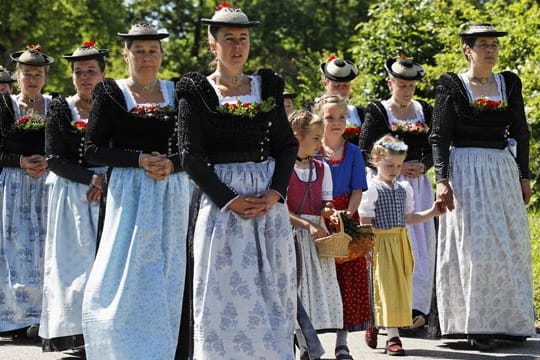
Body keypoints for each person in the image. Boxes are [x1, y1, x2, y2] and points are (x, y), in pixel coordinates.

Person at [176, 3, 298, 358]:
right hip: (221, 205)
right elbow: (189, 156)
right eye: (228, 39)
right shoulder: (196, 92)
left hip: (266, 204)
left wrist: (276, 192)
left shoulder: (267, 86)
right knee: (221, 291)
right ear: (212, 45)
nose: (237, 46)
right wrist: (228, 198)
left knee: (272, 290)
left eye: (243, 38)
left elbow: (287, 145)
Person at [81, 23, 190, 359]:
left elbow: (196, 148)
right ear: (125, 54)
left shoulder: (179, 93)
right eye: (139, 51)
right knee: (125, 276)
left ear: (161, 55)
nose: (146, 58)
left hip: (172, 192)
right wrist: (138, 159)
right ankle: (123, 348)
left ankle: (168, 348)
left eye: (152, 51)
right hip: (128, 196)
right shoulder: (111, 94)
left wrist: (172, 163)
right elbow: (92, 150)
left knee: (168, 271)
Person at [430, 23, 535, 350]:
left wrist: (524, 175)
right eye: (483, 45)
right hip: (465, 171)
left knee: (507, 244)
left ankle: (508, 322)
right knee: (472, 246)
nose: (490, 50)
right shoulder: (453, 86)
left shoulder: (509, 83)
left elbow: (521, 132)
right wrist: (442, 179)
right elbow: (439, 136)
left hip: (501, 170)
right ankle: (473, 324)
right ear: (468, 50)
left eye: (493, 44)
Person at [39, 41, 107, 354]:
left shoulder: (112, 107)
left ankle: (101, 332)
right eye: (79, 72)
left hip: (108, 192)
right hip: (71, 196)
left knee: (104, 265)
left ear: (103, 75)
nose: (84, 77)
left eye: (91, 71)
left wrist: (104, 179)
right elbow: (54, 158)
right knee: (73, 267)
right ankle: (76, 335)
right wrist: (90, 177)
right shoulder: (60, 109)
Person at [358, 56, 435, 331]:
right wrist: (396, 168)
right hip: (387, 184)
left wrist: (421, 165)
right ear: (390, 83)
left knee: (421, 245)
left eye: (411, 86)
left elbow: (433, 146)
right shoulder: (378, 111)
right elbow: (366, 149)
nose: (407, 91)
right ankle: (387, 309)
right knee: (391, 246)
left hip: (417, 184)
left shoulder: (424, 109)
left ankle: (417, 310)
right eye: (402, 85)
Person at [359, 134, 444, 356]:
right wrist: (367, 244)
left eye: (398, 165)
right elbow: (365, 220)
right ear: (376, 161)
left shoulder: (404, 188)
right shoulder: (372, 189)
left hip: (401, 242)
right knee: (386, 288)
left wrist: (432, 212)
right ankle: (393, 336)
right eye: (389, 165)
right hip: (381, 242)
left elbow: (410, 217)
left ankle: (377, 322)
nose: (394, 170)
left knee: (402, 288)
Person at [0, 44, 53, 338]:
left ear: (44, 76)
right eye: (27, 74)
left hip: (46, 185)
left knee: (45, 250)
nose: (32, 79)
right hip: (14, 185)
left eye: (38, 74)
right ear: (17, 76)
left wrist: (49, 161)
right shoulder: (6, 106)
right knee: (14, 250)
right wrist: (20, 161)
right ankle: (14, 318)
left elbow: (62, 146)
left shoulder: (54, 106)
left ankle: (43, 317)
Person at [315, 94, 369, 360]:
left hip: (346, 218)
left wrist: (347, 214)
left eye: (341, 117)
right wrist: (322, 214)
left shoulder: (354, 152)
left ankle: (342, 343)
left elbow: (358, 189)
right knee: (316, 278)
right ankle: (308, 341)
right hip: (317, 217)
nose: (336, 123)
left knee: (346, 280)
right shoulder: (311, 151)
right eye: (329, 117)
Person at [287, 109, 343, 359]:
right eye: (315, 138)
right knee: (295, 293)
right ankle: (303, 346)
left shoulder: (322, 169)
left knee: (315, 295)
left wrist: (329, 212)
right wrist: (306, 225)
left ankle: (309, 347)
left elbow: (325, 203)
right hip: (291, 237)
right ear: (297, 136)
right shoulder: (283, 168)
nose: (320, 143)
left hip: (317, 241)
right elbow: (279, 209)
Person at [319, 55, 364, 145]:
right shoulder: (312, 110)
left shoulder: (358, 113)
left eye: (345, 85)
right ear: (325, 84)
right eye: (336, 86)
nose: (341, 89)